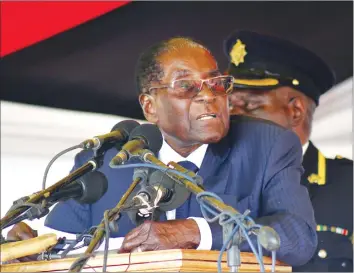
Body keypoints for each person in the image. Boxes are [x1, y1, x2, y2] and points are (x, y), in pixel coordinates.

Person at [7, 37, 317, 266]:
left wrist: (196, 231)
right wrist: (35, 251)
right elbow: (64, 246)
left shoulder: (266, 145)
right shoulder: (106, 160)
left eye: (217, 84)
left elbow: (299, 237)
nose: (209, 97)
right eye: (186, 87)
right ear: (150, 106)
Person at [225, 30, 353, 272]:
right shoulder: (211, 180)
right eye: (230, 105)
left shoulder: (350, 188)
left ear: (295, 111)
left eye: (251, 105)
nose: (233, 117)